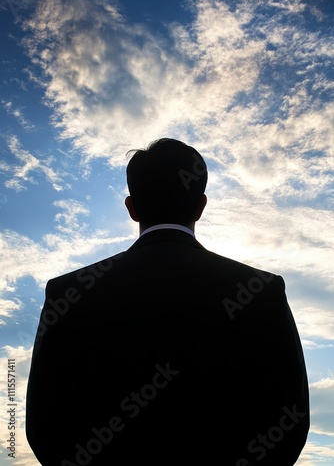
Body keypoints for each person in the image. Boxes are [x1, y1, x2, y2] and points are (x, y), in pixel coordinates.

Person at [26, 138, 309, 465]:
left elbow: (44, 427)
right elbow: (292, 420)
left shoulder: (67, 293)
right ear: (201, 206)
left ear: (131, 208)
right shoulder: (262, 291)